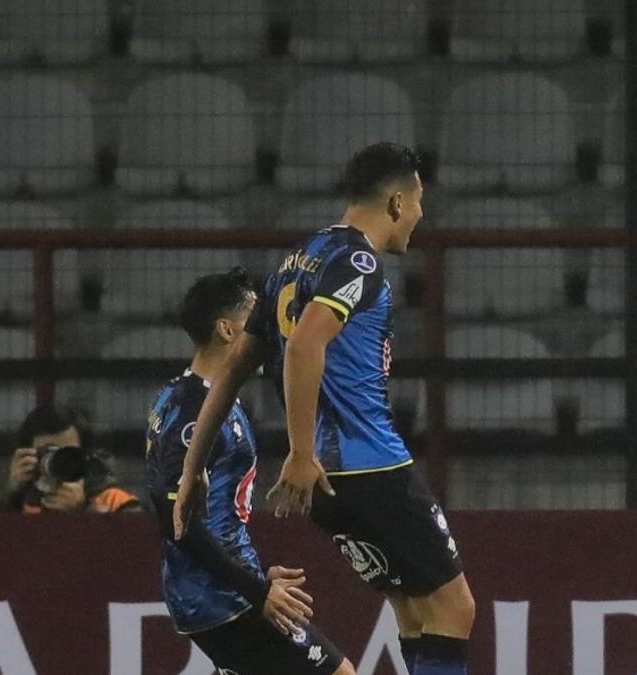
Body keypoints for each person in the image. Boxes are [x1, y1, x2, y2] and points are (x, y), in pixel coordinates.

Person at [174, 142, 474, 675]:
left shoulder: (295, 261)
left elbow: (234, 369)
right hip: (369, 466)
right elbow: (308, 342)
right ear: (398, 202)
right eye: (420, 200)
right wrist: (299, 451)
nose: (422, 215)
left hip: (325, 485)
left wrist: (192, 467)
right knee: (455, 608)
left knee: (414, 612)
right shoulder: (358, 262)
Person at [145, 268, 355, 675]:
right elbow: (176, 518)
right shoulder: (192, 412)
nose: (268, 332)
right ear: (226, 329)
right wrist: (257, 591)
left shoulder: (186, 396)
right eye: (254, 320)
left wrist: (253, 572)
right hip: (219, 598)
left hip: (219, 591)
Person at [0, 404, 139, 514]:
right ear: (27, 454)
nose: (59, 461)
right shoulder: (17, 504)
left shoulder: (113, 501)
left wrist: (84, 513)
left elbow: (134, 549)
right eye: (48, 453)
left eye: (69, 453)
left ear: (86, 456)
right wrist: (11, 494)